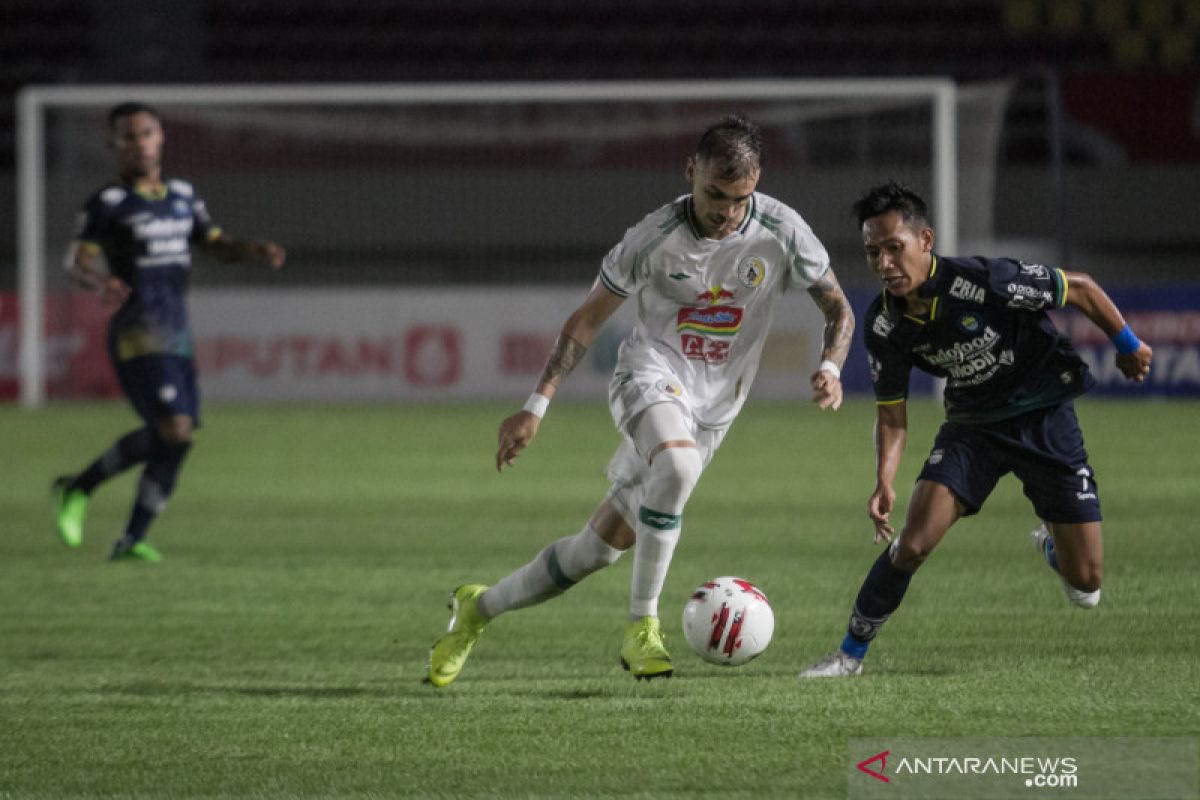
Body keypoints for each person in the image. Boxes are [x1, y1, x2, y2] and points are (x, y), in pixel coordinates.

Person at [426, 114, 855, 687]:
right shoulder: (653, 237)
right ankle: (642, 626)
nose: (726, 211)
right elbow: (585, 321)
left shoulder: (781, 230)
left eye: (738, 198)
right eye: (714, 194)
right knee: (676, 465)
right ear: (690, 173)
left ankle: (477, 609)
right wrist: (535, 406)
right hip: (648, 375)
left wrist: (830, 366)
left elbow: (839, 307)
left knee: (593, 553)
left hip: (715, 410)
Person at [800, 181, 1153, 678]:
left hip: (1044, 417)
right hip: (973, 428)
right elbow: (892, 415)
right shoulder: (884, 324)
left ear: (925, 240)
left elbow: (1082, 288)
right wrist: (884, 479)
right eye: (872, 252)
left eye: (893, 248)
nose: (883, 263)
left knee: (1086, 587)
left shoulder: (986, 280)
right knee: (912, 544)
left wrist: (1129, 344)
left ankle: (1053, 545)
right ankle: (848, 654)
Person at [52, 101, 285, 562]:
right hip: (138, 330)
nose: (138, 143)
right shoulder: (109, 203)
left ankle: (129, 538)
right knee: (174, 428)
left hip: (177, 331)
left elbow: (214, 244)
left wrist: (251, 249)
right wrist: (103, 281)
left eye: (146, 133)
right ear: (113, 145)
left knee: (178, 438)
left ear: (161, 139)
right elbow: (76, 261)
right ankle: (78, 488)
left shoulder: (182, 195)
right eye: (127, 136)